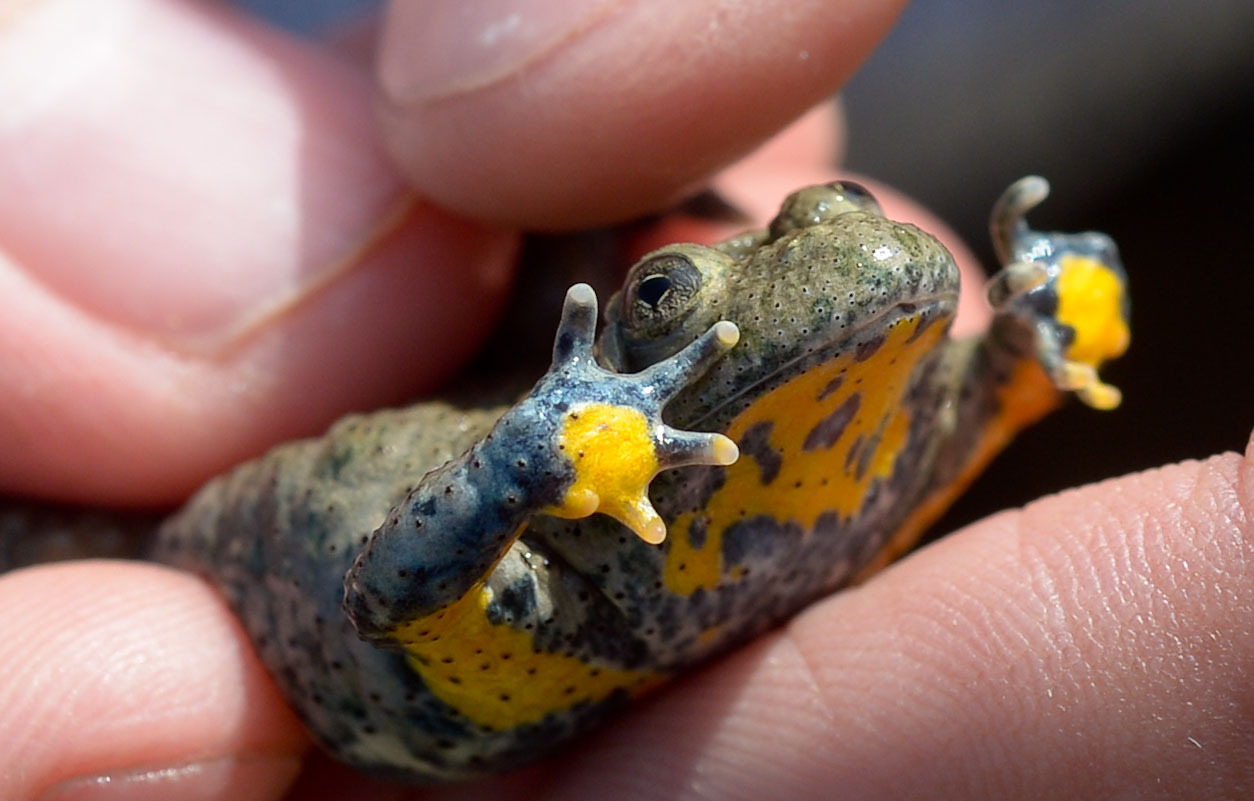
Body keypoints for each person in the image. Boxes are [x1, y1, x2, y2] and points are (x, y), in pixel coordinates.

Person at [0, 2, 1249, 798]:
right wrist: (520, 468)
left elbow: (1030, 366)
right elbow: (389, 590)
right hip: (211, 580)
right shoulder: (549, 569)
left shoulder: (920, 428)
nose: (851, 254)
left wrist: (1052, 307)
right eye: (663, 301)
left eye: (844, 227)